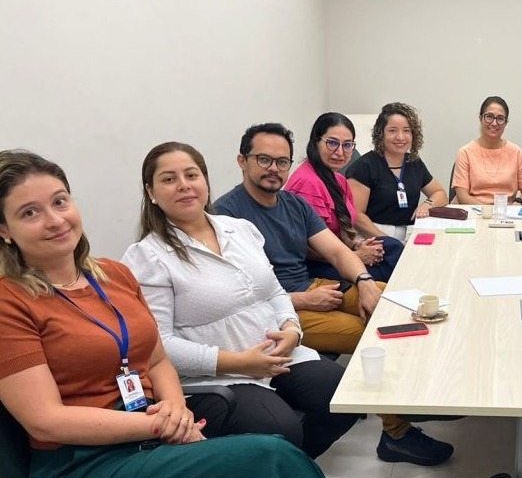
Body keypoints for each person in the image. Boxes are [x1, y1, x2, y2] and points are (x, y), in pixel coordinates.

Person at [0, 149, 441, 478]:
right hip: (84, 476)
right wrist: (161, 424)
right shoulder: (11, 302)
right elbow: (46, 421)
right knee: (273, 459)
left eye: (60, 202)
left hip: (151, 439)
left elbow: (156, 357)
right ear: (4, 229)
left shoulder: (111, 275)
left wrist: (174, 409)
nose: (55, 219)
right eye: (30, 212)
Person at [215, 123, 454, 466]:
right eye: (263, 159)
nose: (274, 169)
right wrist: (301, 300)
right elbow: (234, 296)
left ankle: (418, 392)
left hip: (313, 287)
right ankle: (397, 434)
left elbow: (338, 251)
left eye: (282, 162)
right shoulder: (225, 216)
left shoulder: (293, 204)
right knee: (375, 334)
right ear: (243, 161)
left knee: (397, 303)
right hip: (278, 312)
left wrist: (364, 281)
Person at [121, 142, 360, 459]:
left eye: (191, 175)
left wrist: (292, 330)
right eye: (169, 179)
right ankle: (280, 467)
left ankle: (290, 467)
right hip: (220, 375)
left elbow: (274, 292)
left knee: (347, 396)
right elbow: (159, 345)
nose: (183, 185)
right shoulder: (147, 257)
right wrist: (239, 363)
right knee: (281, 428)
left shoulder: (241, 230)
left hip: (280, 356)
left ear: (205, 181)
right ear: (151, 192)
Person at [283, 112, 402, 282]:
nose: (339, 152)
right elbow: (306, 248)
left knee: (392, 246)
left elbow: (343, 227)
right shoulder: (308, 183)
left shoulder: (338, 179)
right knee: (390, 268)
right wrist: (355, 256)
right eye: (332, 143)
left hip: (339, 254)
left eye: (347, 145)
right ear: (316, 142)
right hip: (314, 264)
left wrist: (357, 245)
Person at [347, 103, 449, 242]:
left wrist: (428, 204)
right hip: (373, 236)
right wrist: (389, 241)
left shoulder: (413, 162)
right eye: (392, 131)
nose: (400, 137)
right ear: (381, 134)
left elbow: (440, 193)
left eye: (406, 131)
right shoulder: (364, 166)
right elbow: (357, 216)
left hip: (408, 232)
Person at [453, 96, 522, 205]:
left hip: (507, 211)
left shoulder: (516, 152)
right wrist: (489, 211)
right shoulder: (465, 153)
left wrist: (519, 202)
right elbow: (462, 196)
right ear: (480, 118)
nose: (494, 123)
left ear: (506, 123)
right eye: (489, 117)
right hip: (475, 211)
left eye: (500, 118)